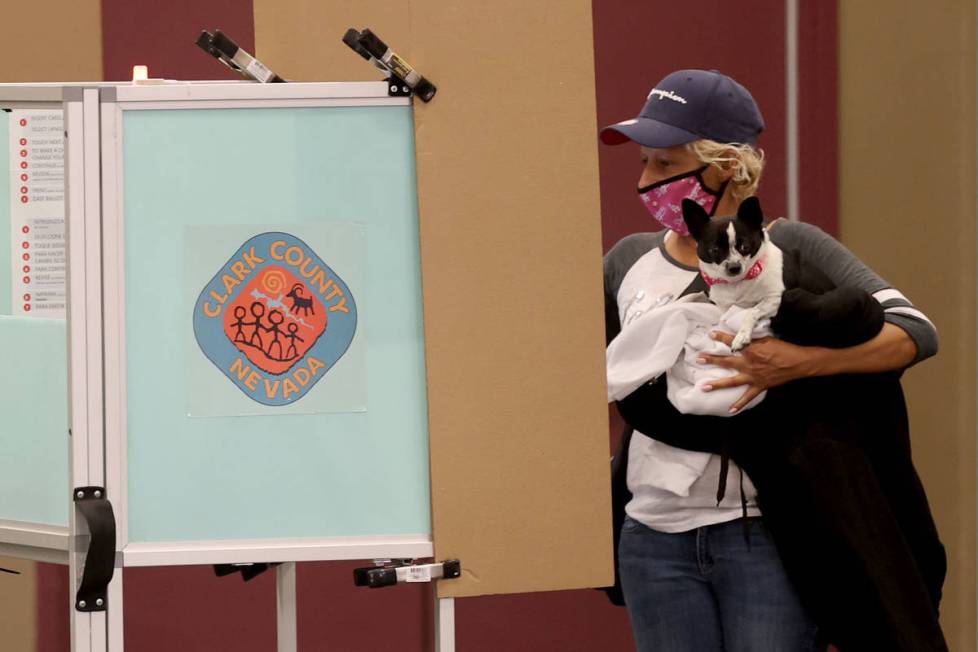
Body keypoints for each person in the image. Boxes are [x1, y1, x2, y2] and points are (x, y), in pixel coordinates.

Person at [600, 69, 939, 651]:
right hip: (651, 536)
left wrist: (798, 362)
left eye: (664, 163)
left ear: (725, 166)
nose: (646, 180)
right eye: (644, 163)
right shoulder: (627, 260)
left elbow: (915, 332)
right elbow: (605, 375)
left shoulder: (793, 245)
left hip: (764, 533)